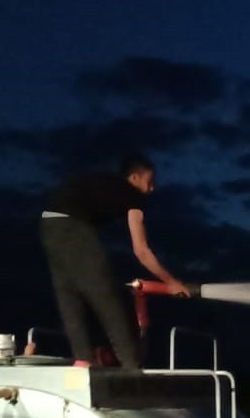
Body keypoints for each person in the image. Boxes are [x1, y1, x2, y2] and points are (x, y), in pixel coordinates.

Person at [39, 153, 197, 369]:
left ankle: (83, 360)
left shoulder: (106, 185)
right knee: (107, 296)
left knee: (69, 293)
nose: (152, 189)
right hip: (73, 227)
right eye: (149, 182)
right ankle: (131, 366)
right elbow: (141, 250)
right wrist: (171, 281)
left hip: (48, 224)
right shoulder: (131, 196)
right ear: (134, 178)